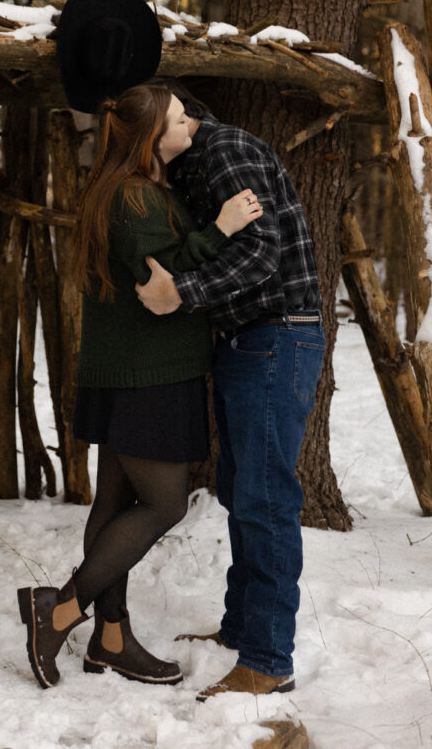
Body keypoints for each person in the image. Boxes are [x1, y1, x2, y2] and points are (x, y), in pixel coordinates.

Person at [17, 83, 263, 690]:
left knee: (115, 503)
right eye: (180, 120)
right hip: (147, 372)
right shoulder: (132, 199)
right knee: (164, 504)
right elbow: (165, 275)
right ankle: (62, 610)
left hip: (134, 367)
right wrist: (225, 226)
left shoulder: (139, 190)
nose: (192, 127)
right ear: (152, 137)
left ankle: (111, 638)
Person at [135, 83, 325, 700]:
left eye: (182, 111)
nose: (185, 119)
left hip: (275, 338)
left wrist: (182, 294)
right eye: (173, 117)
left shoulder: (222, 152)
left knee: (265, 501)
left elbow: (262, 251)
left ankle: (268, 661)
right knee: (245, 493)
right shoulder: (192, 163)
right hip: (251, 341)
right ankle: (243, 629)